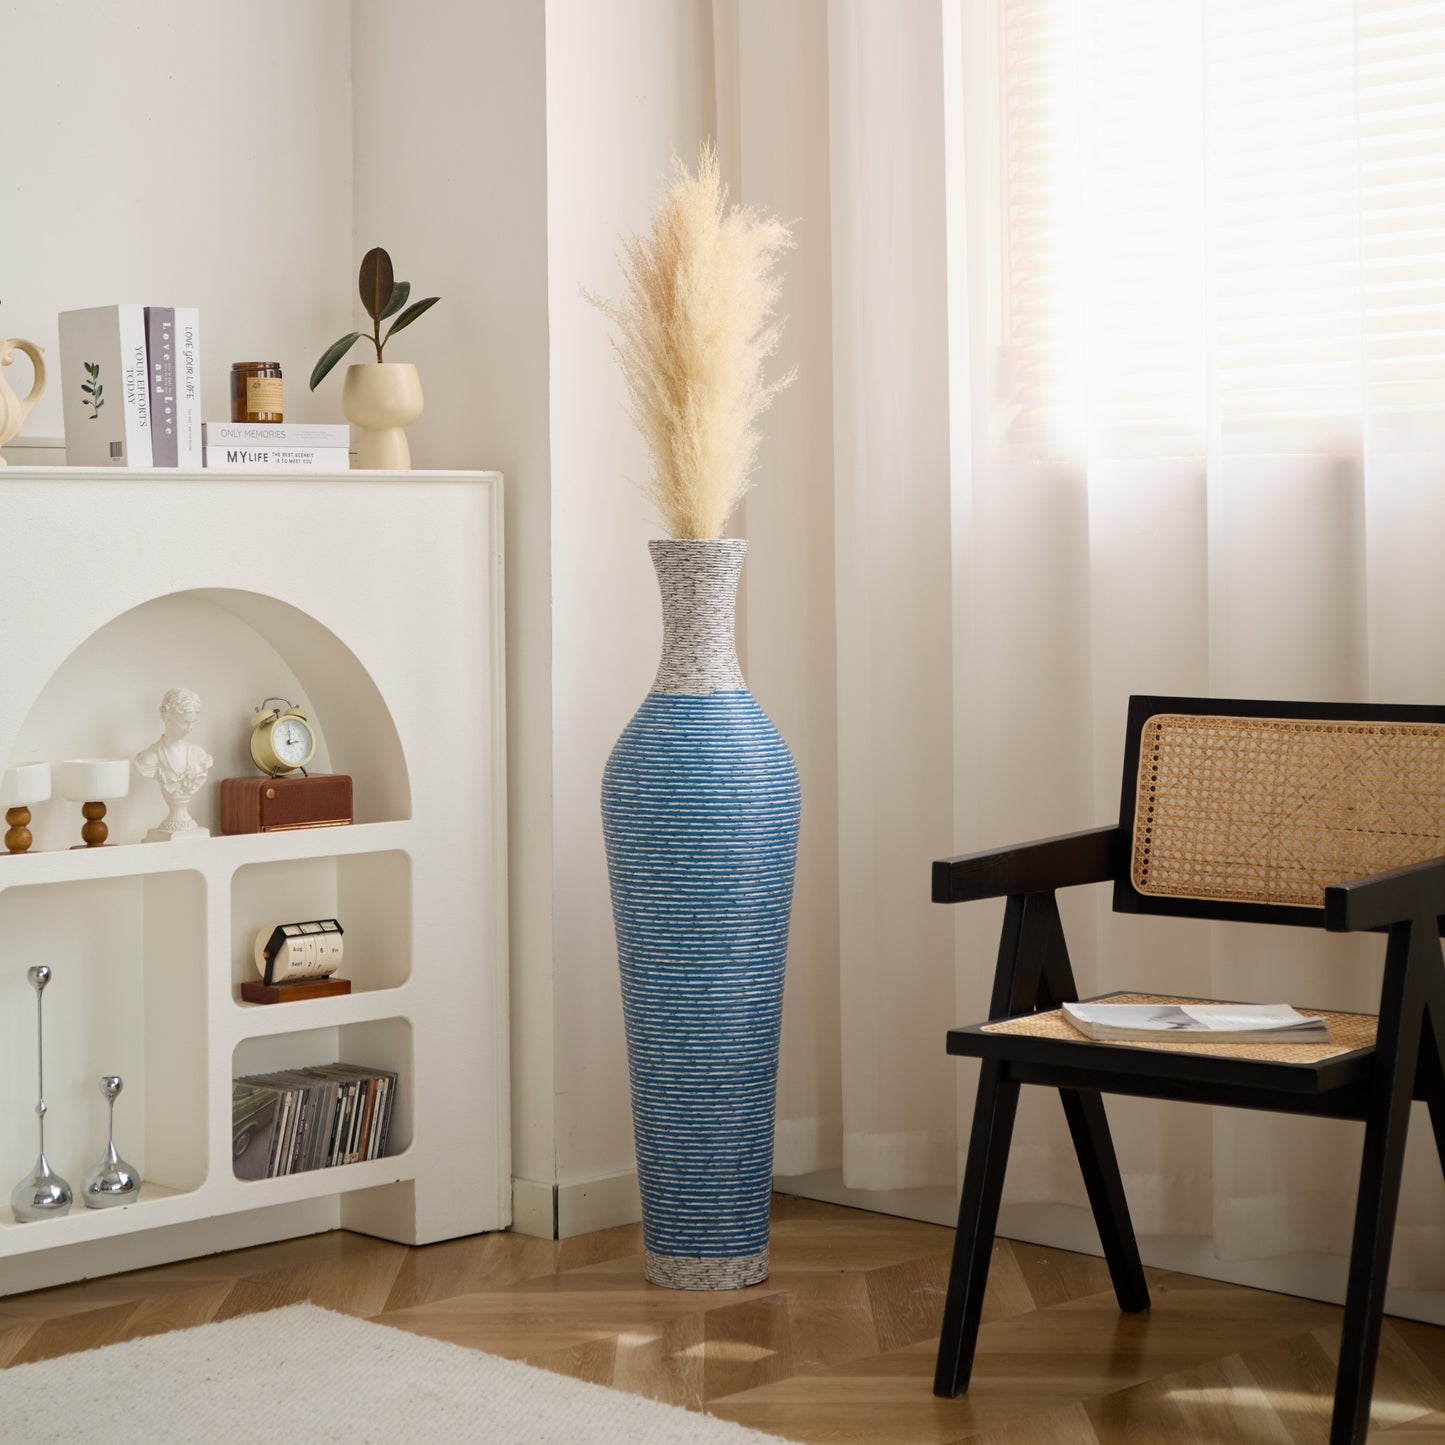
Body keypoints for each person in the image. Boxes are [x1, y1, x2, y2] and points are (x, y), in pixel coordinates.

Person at [134, 687, 213, 838]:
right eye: (184, 722)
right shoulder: (149, 758)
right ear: (167, 717)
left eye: (193, 722)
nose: (189, 728)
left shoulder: (199, 756)